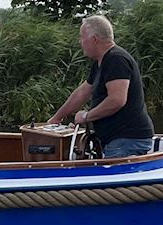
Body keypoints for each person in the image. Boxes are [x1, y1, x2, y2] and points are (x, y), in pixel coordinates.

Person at [47, 14, 154, 158]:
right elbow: (82, 93)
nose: (80, 42)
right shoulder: (101, 62)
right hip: (117, 140)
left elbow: (117, 100)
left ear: (94, 39)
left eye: (82, 37)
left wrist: (86, 116)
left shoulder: (116, 60)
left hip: (126, 140)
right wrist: (57, 118)